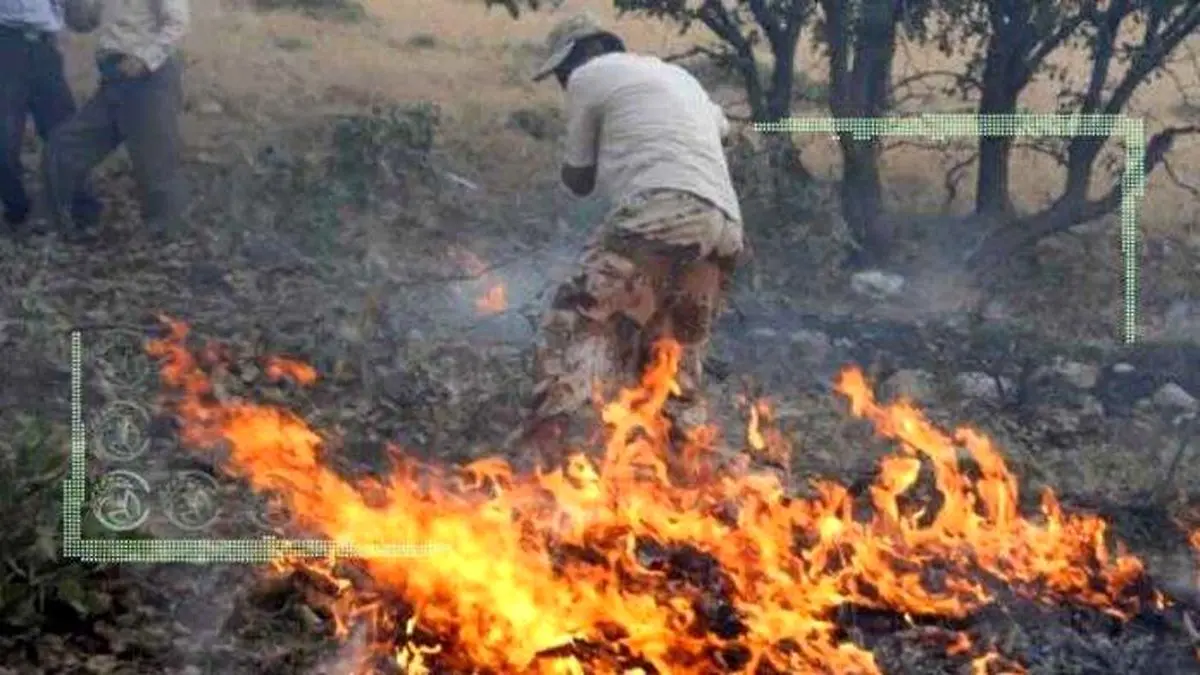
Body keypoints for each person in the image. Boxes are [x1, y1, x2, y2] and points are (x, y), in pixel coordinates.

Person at [518, 13, 745, 468]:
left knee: (579, 322)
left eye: (560, 76)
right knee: (672, 357)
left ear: (571, 61)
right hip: (723, 226)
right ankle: (686, 472)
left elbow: (578, 178)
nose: (564, 84)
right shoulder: (678, 78)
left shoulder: (588, 76)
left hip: (659, 212)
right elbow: (725, 133)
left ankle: (550, 461)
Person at [42, 0, 188, 241]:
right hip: (114, 77)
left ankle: (167, 243)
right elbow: (84, 22)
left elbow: (177, 23)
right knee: (63, 147)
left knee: (155, 164)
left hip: (150, 79)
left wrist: (144, 60)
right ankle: (60, 227)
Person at [0, 0, 100, 233]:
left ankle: (82, 210)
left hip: (46, 49)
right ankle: (17, 210)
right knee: (4, 141)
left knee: (65, 132)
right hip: (5, 48)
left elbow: (82, 20)